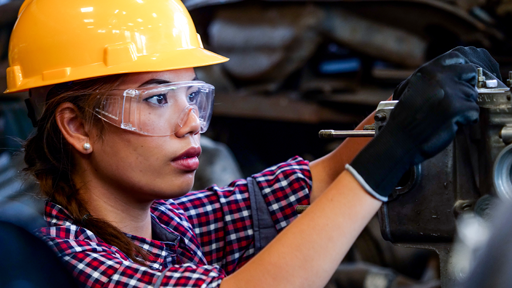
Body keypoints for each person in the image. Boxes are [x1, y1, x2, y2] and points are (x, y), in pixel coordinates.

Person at [3, 0, 494, 287]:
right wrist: (392, 156)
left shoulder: (166, 224)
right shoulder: (68, 260)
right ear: (78, 127)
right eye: (158, 99)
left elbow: (319, 178)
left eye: (192, 94)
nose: (193, 122)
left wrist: (409, 98)